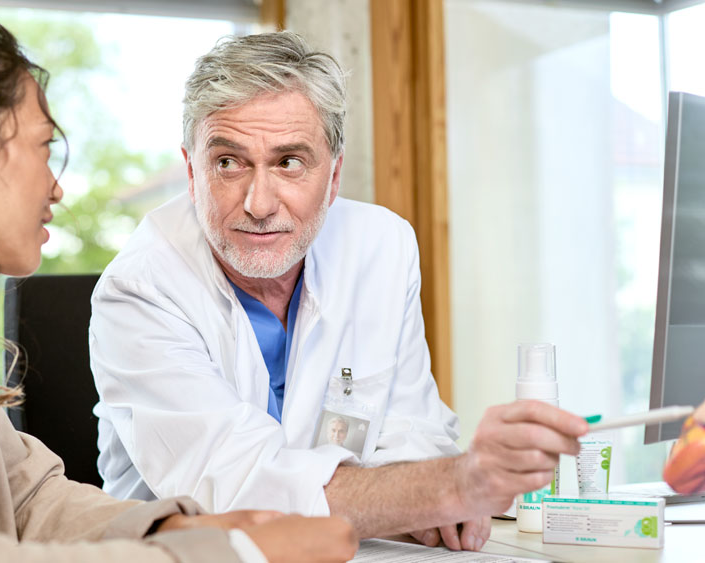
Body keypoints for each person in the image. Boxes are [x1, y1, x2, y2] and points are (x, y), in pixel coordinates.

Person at [0, 10, 357, 563]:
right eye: (44, 147)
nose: (56, 187)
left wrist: (187, 527)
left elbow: (26, 496)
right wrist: (225, 553)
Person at [90, 30, 589, 551]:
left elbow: (414, 434)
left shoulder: (381, 246)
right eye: (228, 163)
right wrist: (445, 488)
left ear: (333, 177)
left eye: (289, 162)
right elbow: (235, 490)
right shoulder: (139, 290)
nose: (259, 204)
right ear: (192, 174)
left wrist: (429, 502)